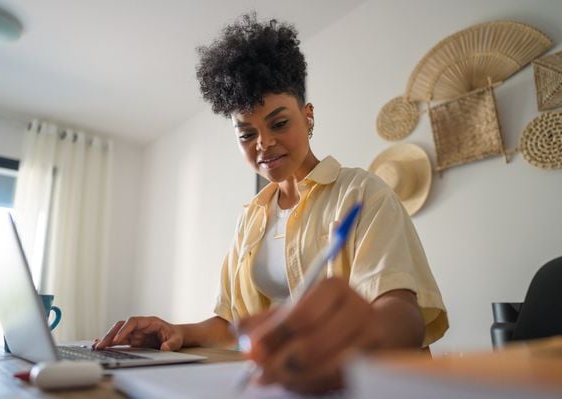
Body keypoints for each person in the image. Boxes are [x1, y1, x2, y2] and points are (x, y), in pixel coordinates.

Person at [94, 14, 448, 394]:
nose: (263, 144)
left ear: (307, 116)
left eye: (279, 123)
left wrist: (362, 332)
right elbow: (230, 325)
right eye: (247, 133)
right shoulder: (251, 218)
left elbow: (404, 318)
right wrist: (175, 332)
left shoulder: (362, 193)